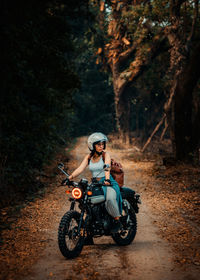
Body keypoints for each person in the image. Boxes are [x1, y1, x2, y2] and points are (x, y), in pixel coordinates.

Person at [68, 132, 122, 233]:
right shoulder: (89, 157)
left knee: (109, 199)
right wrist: (70, 177)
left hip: (107, 182)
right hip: (95, 184)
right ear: (92, 146)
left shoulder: (106, 155)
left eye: (102, 144)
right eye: (98, 144)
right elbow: (80, 168)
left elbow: (107, 167)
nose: (101, 146)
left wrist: (106, 180)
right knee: (87, 202)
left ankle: (117, 220)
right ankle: (90, 228)